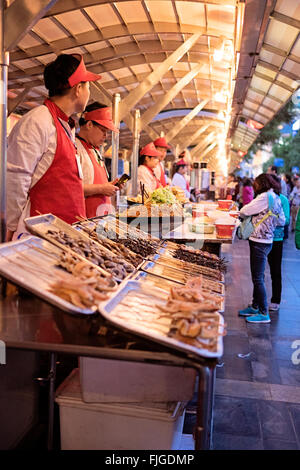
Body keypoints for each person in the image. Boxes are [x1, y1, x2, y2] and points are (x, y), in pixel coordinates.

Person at [6, 53, 102, 241]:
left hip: (63, 234)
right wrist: (10, 227)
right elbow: (16, 178)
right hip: (38, 236)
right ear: (78, 89)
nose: (89, 93)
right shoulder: (38, 120)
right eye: (88, 86)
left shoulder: (66, 125)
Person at [238, 173, 285, 324]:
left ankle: (264, 313)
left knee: (257, 278)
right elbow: (282, 221)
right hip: (268, 240)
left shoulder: (264, 197)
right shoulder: (276, 198)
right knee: (259, 276)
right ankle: (255, 306)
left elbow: (244, 211)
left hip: (259, 241)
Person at [76, 102, 120, 217]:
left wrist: (109, 186)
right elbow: (70, 187)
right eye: (103, 130)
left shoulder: (95, 150)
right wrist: (101, 188)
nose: (105, 136)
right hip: (84, 218)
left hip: (100, 218)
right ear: (89, 124)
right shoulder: (75, 147)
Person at [267, 174, 290, 313]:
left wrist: (271, 219)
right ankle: (257, 300)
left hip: (276, 239)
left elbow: (286, 220)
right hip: (263, 239)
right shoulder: (265, 198)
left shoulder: (283, 200)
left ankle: (276, 300)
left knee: (275, 271)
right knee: (259, 272)